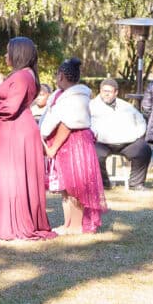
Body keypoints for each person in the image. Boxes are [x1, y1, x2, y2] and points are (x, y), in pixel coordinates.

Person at [0, 37, 55, 241]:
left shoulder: (22, 76)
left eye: (8, 51)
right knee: (9, 174)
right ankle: (5, 219)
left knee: (12, 175)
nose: (5, 56)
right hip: (12, 128)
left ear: (18, 53)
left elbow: (12, 107)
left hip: (16, 129)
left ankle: (14, 221)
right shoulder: (23, 74)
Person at [41, 58, 106, 234]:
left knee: (75, 184)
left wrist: (53, 148)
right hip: (65, 144)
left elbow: (68, 123)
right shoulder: (61, 95)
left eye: (57, 75)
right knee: (66, 186)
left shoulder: (75, 97)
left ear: (61, 76)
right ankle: (68, 223)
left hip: (74, 143)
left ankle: (76, 225)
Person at [90, 78, 151, 188]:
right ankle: (103, 184)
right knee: (93, 153)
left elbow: (141, 121)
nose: (106, 94)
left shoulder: (126, 106)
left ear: (116, 92)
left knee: (144, 149)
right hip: (101, 143)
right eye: (104, 91)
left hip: (127, 142)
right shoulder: (91, 106)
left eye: (109, 91)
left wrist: (137, 135)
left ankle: (136, 184)